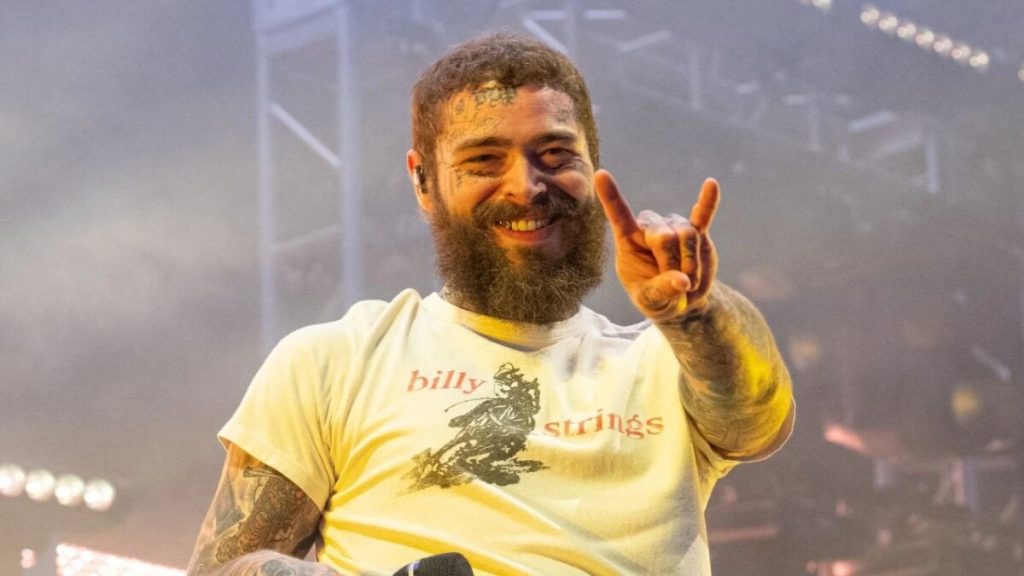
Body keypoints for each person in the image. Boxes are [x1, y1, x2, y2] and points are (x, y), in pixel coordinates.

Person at [187, 32, 794, 576]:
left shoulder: (664, 362)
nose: (526, 187)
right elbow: (224, 568)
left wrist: (693, 313)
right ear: (423, 180)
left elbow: (757, 424)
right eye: (483, 160)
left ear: (593, 161)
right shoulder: (335, 361)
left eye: (555, 154)